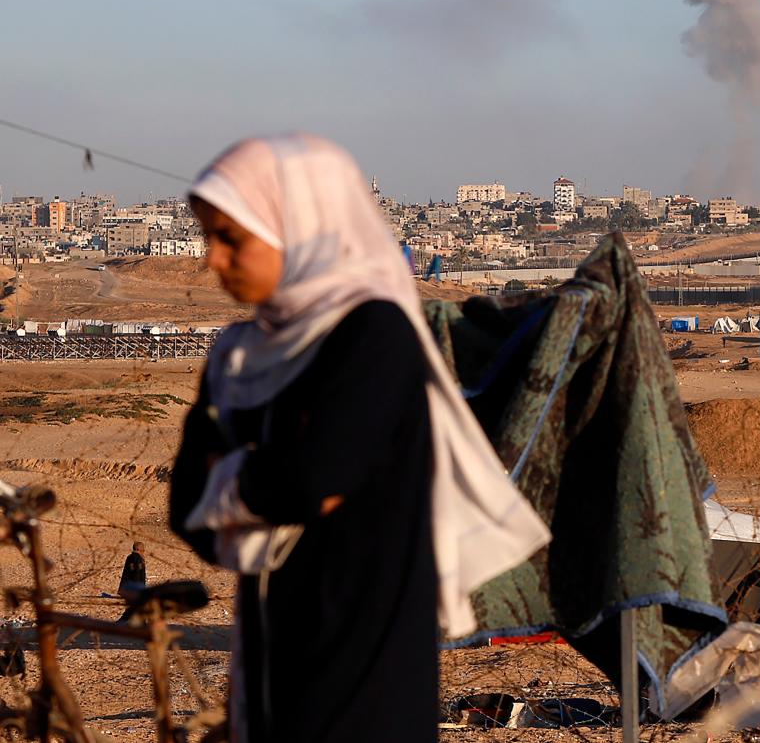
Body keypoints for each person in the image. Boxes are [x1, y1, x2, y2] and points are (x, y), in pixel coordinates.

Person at [169, 135, 548, 742]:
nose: (212, 259)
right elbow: (188, 510)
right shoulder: (239, 357)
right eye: (208, 237)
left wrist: (234, 477)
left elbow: (313, 477)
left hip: (363, 651)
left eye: (231, 238)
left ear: (301, 230)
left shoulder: (372, 334)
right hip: (267, 652)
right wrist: (267, 485)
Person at [116, 542, 147, 623]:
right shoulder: (138, 559)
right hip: (135, 588)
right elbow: (137, 573)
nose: (144, 551)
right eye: (143, 550)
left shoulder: (129, 557)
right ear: (139, 549)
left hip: (128, 586)